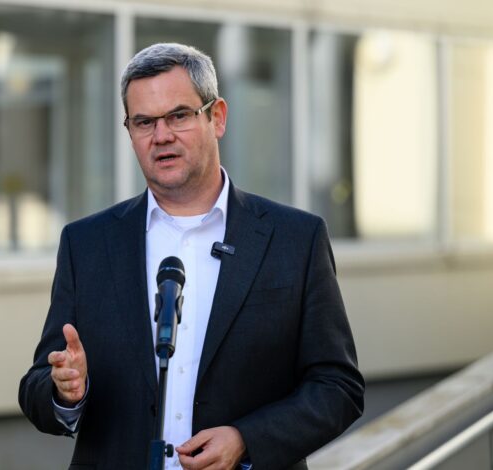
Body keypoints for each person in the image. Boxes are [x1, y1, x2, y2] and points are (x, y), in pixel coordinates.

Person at [19, 43, 364, 470]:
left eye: (179, 115)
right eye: (144, 122)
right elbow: (37, 385)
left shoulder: (295, 239)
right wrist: (65, 390)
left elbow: (338, 387)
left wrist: (246, 440)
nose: (161, 135)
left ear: (217, 117)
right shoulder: (87, 243)